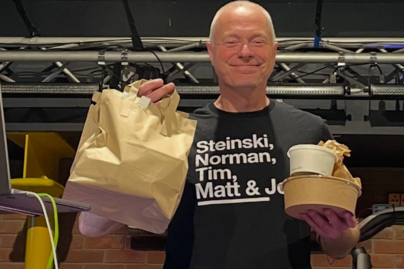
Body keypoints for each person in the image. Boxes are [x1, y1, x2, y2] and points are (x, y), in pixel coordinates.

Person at [78, 1, 359, 268]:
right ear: (211, 51)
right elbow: (91, 227)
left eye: (258, 41)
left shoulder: (310, 131)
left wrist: (336, 233)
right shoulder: (176, 133)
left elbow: (341, 246)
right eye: (231, 41)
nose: (246, 51)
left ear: (274, 51)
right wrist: (132, 136)